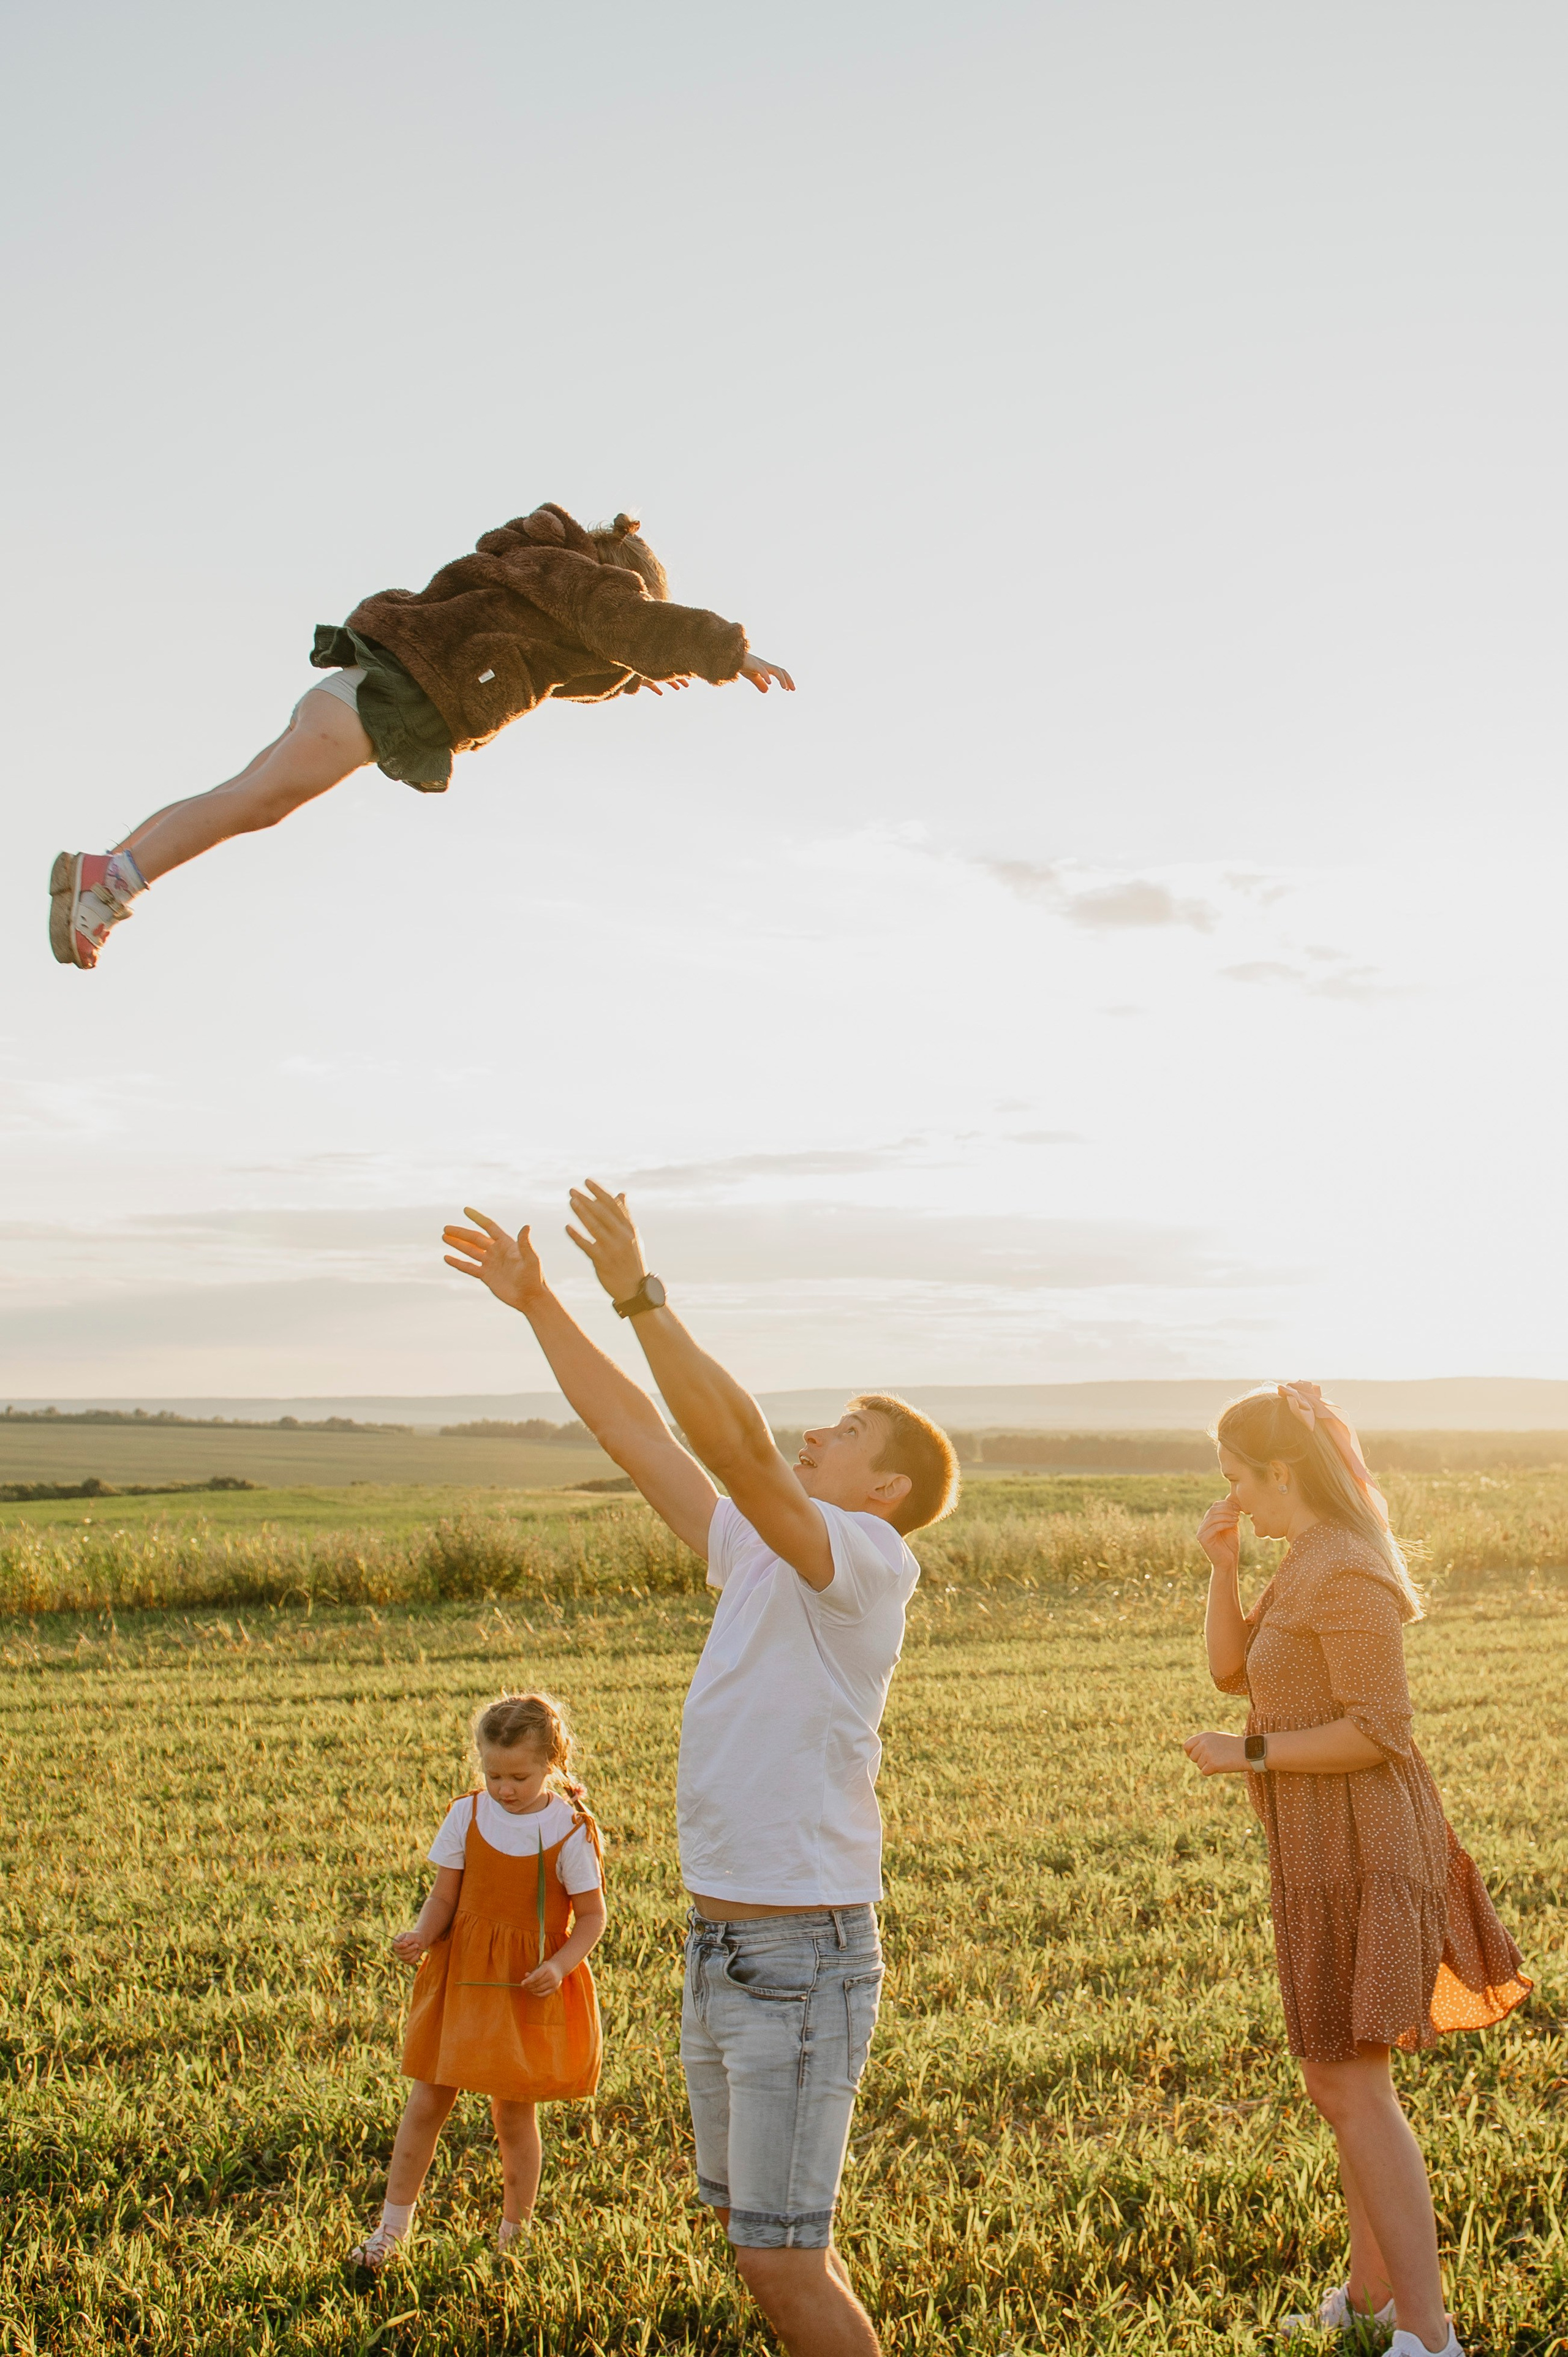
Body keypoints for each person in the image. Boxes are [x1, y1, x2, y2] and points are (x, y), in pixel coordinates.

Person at [439, 1183, 960, 2357]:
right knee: (758, 2234)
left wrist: (640, 1295)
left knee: (782, 2256)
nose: (815, 1436)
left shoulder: (867, 1560)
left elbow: (736, 1444)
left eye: (844, 1432)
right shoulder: (762, 1549)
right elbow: (641, 1437)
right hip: (722, 1943)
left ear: (886, 1490)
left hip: (798, 1953)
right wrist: (541, 1304)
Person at [48, 503, 794, 968]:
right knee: (261, 803)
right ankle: (113, 884)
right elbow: (622, 620)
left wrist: (635, 674)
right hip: (386, 695)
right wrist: (724, 652)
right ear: (625, 578)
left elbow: (558, 665)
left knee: (241, 793)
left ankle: (106, 870)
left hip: (361, 688)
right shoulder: (584, 582)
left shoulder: (538, 584)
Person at [1184, 1383, 1529, 2357]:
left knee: (1353, 2088)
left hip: (1366, 1844)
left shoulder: (1345, 1569)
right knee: (1341, 2083)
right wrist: (1222, 1570)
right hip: (1317, 1843)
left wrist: (1247, 1754)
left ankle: (1429, 2334)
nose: (1232, 1496)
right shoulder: (1305, 1559)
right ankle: (1375, 2300)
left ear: (1280, 1471)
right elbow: (1231, 1672)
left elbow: (1379, 1731)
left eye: (1237, 1478)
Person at [349, 1688, 608, 2273]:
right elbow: (444, 1896)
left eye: (519, 1777)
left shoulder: (569, 1830)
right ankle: (391, 2230)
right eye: (494, 1775)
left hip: (524, 1985)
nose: (505, 1789)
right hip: (462, 1977)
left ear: (551, 1764)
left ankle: (514, 2234)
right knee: (426, 2101)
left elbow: (593, 1917)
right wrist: (422, 1935)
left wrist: (559, 1966)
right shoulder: (467, 1814)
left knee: (513, 2115)